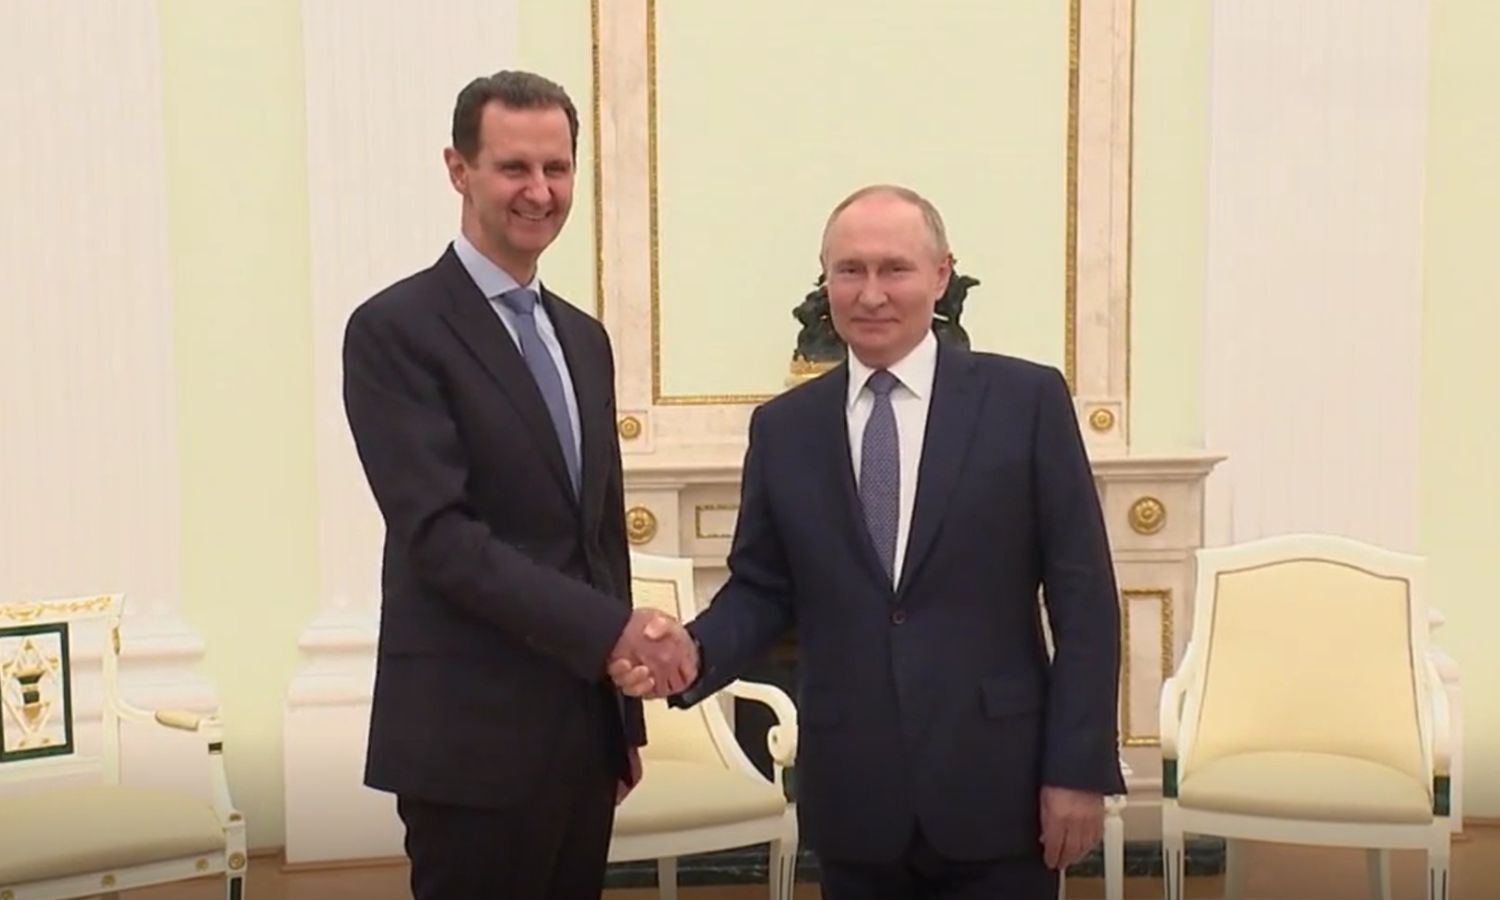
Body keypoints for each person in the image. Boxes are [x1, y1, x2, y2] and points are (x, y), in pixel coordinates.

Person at [612, 185, 1125, 899]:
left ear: (941, 275)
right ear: (825, 281)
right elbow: (763, 588)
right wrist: (693, 650)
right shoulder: (784, 428)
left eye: (895, 269)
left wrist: (1077, 768)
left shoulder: (1026, 402)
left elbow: (1084, 600)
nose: (872, 293)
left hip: (999, 788)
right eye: (850, 270)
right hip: (854, 798)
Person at [342, 70, 691, 900]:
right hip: (469, 742)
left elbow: (598, 536)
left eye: (557, 168)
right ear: (458, 169)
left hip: (581, 739)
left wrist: (621, 719)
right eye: (514, 168)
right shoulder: (395, 331)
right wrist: (613, 631)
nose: (540, 191)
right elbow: (442, 538)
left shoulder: (585, 339)